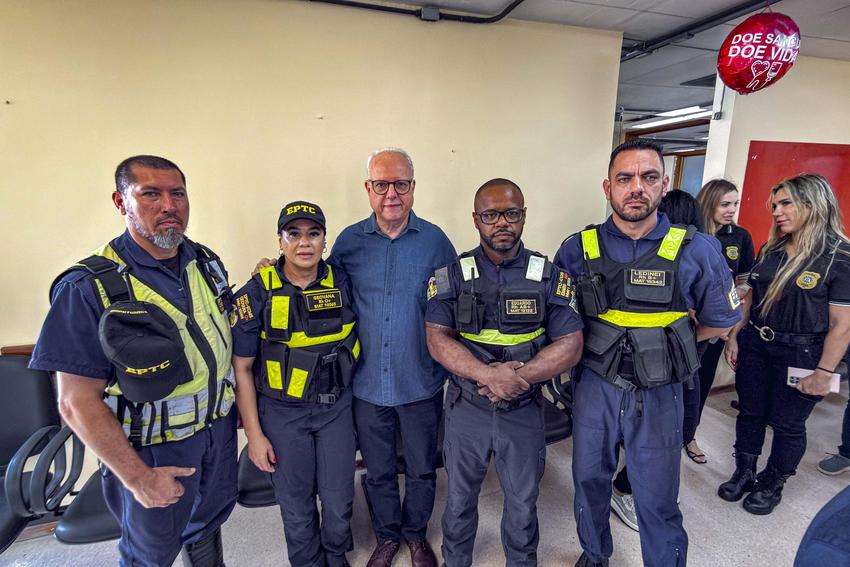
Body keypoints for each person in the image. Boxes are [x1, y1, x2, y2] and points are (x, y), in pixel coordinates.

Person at [29, 155, 237, 566]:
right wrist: (138, 478)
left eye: (178, 194)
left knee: (207, 525)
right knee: (150, 553)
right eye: (151, 194)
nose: (169, 205)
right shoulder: (87, 287)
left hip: (217, 434)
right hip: (153, 452)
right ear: (120, 202)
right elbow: (74, 401)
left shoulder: (205, 263)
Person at [555, 139, 740, 567]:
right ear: (608, 188)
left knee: (656, 496)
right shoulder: (577, 248)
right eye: (625, 178)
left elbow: (719, 320)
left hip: (659, 391)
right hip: (595, 386)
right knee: (589, 482)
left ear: (663, 185)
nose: (636, 187)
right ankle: (595, 555)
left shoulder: (696, 250)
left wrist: (667, 346)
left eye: (649, 177)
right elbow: (560, 321)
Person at [425, 179, 583, 566]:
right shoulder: (451, 275)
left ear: (523, 216)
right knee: (460, 497)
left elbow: (571, 343)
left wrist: (517, 378)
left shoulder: (550, 275)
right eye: (490, 215)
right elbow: (437, 339)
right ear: (475, 219)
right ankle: (456, 560)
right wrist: (488, 375)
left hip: (523, 406)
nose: (502, 223)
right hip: (468, 407)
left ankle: (521, 560)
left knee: (523, 499)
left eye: (511, 213)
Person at [329, 148, 456, 567]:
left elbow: (454, 305)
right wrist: (272, 268)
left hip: (419, 380)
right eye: (381, 185)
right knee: (379, 470)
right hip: (366, 383)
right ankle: (386, 537)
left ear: (413, 187)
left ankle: (416, 535)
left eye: (400, 184)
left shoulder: (436, 242)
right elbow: (319, 287)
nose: (391, 194)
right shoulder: (348, 243)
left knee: (422, 467)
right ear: (368, 188)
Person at [231, 202, 359, 567]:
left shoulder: (343, 281)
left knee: (339, 499)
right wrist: (254, 436)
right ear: (280, 240)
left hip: (335, 409)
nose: (304, 243)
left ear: (324, 240)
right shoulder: (255, 293)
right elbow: (242, 368)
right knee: (296, 503)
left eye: (313, 234)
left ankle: (335, 555)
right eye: (294, 234)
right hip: (282, 414)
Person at [719, 173, 850, 515]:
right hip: (756, 343)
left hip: (803, 352)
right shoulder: (772, 249)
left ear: (812, 204)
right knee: (750, 412)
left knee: (788, 423)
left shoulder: (840, 256)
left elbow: (842, 325)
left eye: (785, 204)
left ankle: (772, 482)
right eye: (775, 205)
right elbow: (751, 298)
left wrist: (824, 373)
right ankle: (744, 471)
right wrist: (734, 335)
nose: (776, 211)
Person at [609, 188, 708, 532]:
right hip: (628, 369)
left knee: (662, 437)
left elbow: (719, 319)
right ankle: (626, 489)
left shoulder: (698, 251)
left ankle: (640, 490)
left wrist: (676, 341)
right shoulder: (600, 248)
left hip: (671, 368)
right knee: (642, 435)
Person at [681, 179, 755, 464]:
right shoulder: (691, 237)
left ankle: (689, 436)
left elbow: (744, 283)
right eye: (725, 204)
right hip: (685, 327)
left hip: (715, 328)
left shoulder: (740, 237)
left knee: (700, 385)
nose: (731, 210)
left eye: (735, 204)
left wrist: (728, 323)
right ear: (709, 203)